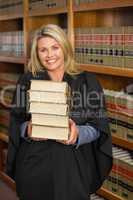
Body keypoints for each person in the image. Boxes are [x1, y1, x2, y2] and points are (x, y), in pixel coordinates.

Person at [6, 24, 112, 200]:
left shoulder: (88, 81)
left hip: (73, 167)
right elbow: (17, 122)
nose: (49, 55)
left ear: (64, 47)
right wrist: (28, 129)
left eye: (55, 47)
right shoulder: (27, 80)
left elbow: (98, 127)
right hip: (35, 164)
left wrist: (78, 134)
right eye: (43, 50)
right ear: (37, 54)